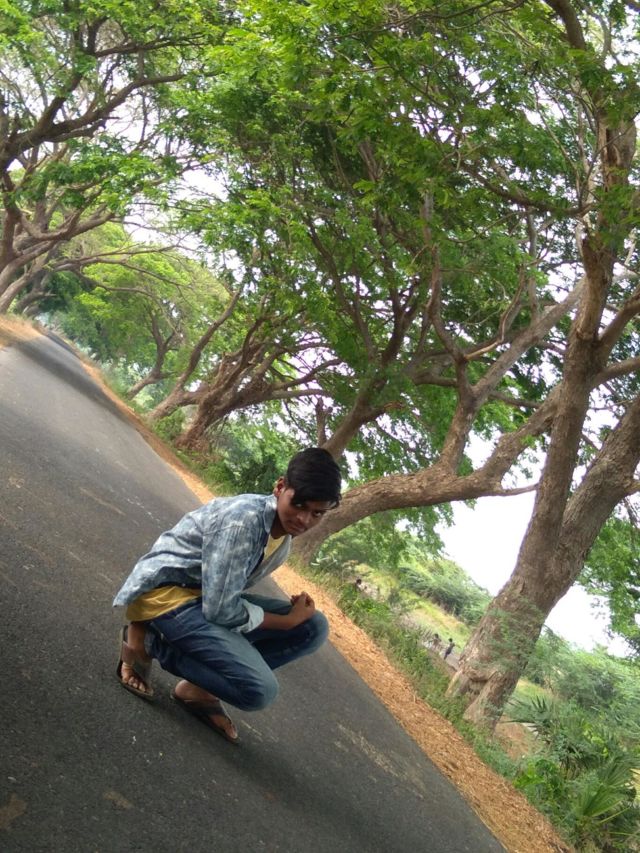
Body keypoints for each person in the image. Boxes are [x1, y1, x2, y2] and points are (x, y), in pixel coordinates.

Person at [113, 447, 341, 744]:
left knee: (313, 626)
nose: (304, 519)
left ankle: (199, 691)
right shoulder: (243, 521)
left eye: (316, 513)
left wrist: (295, 616)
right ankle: (148, 642)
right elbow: (220, 610)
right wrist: (285, 622)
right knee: (259, 691)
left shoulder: (282, 537)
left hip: (204, 598)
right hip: (167, 594)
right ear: (280, 487)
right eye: (298, 504)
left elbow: (225, 595)